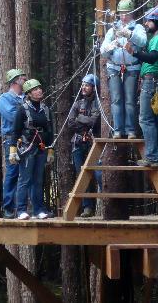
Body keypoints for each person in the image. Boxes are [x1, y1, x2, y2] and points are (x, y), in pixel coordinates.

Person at [126, 7, 158, 167]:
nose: (146, 23)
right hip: (153, 82)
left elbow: (151, 58)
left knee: (145, 119)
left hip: (150, 83)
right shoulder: (157, 39)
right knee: (154, 120)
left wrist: (134, 53)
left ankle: (152, 156)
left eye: (149, 21)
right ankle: (156, 154)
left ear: (156, 21)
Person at [100, 0, 147, 139]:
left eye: (126, 13)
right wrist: (111, 46)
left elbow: (143, 41)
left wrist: (128, 34)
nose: (123, 16)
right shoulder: (113, 30)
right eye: (121, 14)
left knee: (130, 100)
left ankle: (130, 130)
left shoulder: (137, 28)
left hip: (132, 67)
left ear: (132, 13)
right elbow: (103, 50)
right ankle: (118, 130)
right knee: (116, 99)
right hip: (114, 68)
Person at [10, 79, 54, 220]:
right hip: (28, 148)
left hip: (41, 148)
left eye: (39, 88)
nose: (39, 91)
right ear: (29, 93)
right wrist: (12, 151)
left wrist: (50, 150)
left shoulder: (46, 110)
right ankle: (21, 210)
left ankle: (38, 210)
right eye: (35, 89)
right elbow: (15, 131)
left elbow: (50, 131)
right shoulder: (23, 109)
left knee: (38, 180)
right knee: (24, 179)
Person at [68, 74, 101, 217]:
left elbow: (94, 121)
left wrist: (80, 119)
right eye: (83, 85)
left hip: (93, 143)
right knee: (82, 176)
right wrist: (84, 122)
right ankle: (87, 207)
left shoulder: (98, 103)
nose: (83, 87)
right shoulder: (77, 104)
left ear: (93, 88)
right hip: (78, 143)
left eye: (87, 85)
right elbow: (70, 123)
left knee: (98, 174)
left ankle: (103, 204)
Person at [0, 69, 27, 218]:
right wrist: (27, 114)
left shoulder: (26, 98)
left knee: (28, 173)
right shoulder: (4, 99)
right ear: (15, 81)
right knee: (13, 173)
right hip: (12, 140)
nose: (25, 80)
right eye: (23, 78)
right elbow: (13, 116)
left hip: (28, 139)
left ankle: (24, 208)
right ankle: (8, 208)